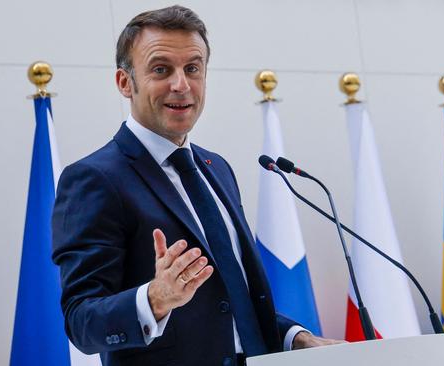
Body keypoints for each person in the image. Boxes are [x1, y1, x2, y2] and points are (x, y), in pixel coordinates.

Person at [52, 5, 342, 366]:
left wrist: (293, 338)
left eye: (193, 68)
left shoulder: (216, 168)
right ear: (125, 83)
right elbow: (81, 322)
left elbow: (230, 297)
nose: (181, 84)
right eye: (161, 69)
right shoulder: (94, 179)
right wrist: (155, 299)